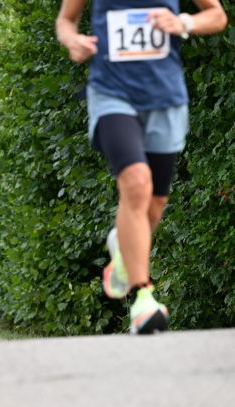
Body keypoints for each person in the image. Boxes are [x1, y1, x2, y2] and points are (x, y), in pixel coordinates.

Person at [56, 0, 227, 334]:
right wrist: (72, 40)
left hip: (165, 99)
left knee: (155, 203)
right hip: (112, 94)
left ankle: (123, 247)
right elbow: (65, 20)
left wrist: (184, 23)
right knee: (136, 182)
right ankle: (142, 299)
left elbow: (217, 15)